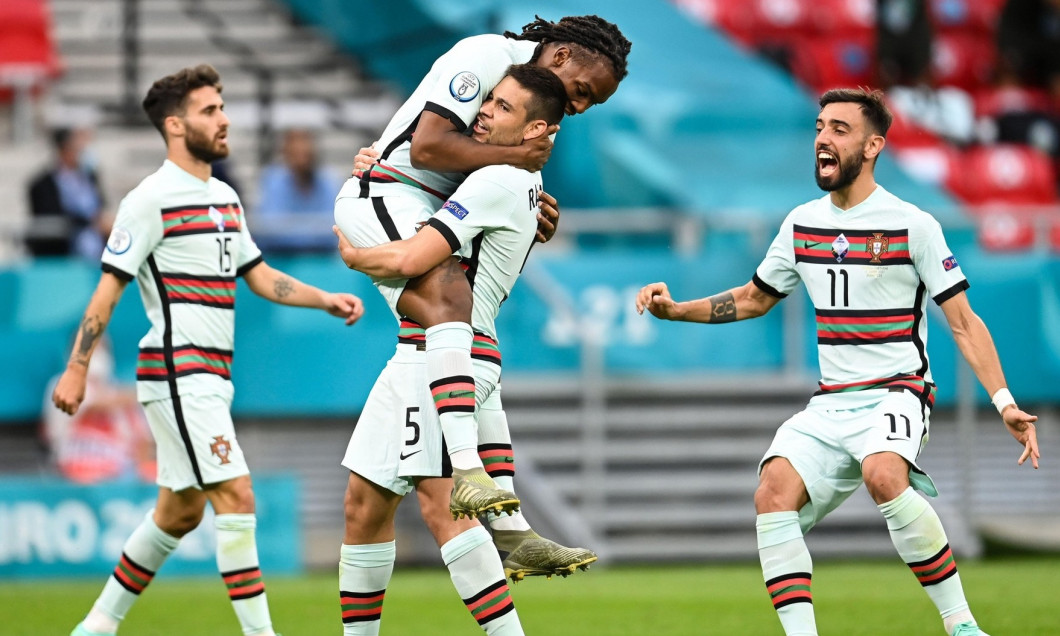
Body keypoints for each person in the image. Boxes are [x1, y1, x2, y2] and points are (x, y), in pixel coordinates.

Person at [635, 88, 1040, 636]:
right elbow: (755, 297)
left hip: (897, 391)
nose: (823, 139)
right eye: (820, 127)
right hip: (831, 401)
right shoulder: (801, 223)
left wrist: (1005, 402)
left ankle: (962, 625)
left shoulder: (912, 224)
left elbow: (964, 321)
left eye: (840, 130)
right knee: (772, 490)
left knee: (883, 472)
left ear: (874, 146)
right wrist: (677, 310)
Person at [52, 64, 364, 636]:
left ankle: (95, 626)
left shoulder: (223, 195)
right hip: (177, 371)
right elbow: (107, 289)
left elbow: (260, 275)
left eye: (222, 107)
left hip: (212, 374)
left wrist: (325, 298)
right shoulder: (148, 200)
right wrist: (77, 368)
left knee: (180, 511)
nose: (224, 120)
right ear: (175, 125)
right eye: (209, 110)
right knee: (236, 493)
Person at [335, 14, 632, 520]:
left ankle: (506, 520)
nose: (579, 106)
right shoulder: (487, 59)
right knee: (452, 297)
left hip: (429, 208)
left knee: (367, 509)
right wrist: (354, 257)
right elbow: (428, 146)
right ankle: (479, 483)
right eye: (582, 90)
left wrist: (528, 205)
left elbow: (494, 172)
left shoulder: (542, 109)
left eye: (590, 103)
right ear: (560, 55)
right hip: (392, 196)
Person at [332, 64, 582, 636]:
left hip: (445, 356)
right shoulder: (500, 176)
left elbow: (410, 259)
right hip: (418, 353)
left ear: (534, 130)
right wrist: (382, 165)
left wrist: (352, 254)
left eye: (503, 107)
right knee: (363, 506)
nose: (485, 111)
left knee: (445, 506)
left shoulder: (497, 180)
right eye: (488, 99)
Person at [42, 336, 155, 484]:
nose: (97, 355)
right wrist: (141, 393)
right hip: (72, 473)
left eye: (101, 349)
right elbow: (97, 402)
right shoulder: (60, 384)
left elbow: (143, 439)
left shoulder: (119, 391)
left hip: (119, 477)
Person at [254, 128, 343, 253]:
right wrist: (314, 231)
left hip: (322, 259)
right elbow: (270, 230)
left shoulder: (328, 180)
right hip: (281, 258)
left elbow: (335, 230)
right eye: (295, 151)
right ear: (285, 152)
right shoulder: (272, 180)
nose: (301, 151)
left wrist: (294, 228)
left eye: (306, 152)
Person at [26, 126, 107, 259]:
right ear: (64, 149)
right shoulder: (41, 185)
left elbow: (101, 207)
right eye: (77, 147)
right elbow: (51, 220)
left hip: (97, 253)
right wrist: (90, 221)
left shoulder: (90, 177)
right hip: (63, 255)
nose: (82, 151)